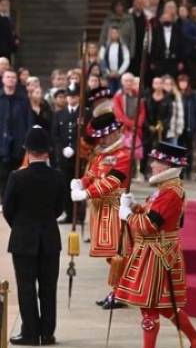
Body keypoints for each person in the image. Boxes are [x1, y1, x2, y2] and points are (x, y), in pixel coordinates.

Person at [112, 141, 196, 348]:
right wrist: (135, 207)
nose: (152, 165)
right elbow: (156, 215)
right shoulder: (166, 188)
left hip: (157, 253)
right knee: (163, 305)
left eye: (156, 162)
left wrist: (127, 215)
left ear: (168, 166)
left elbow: (150, 225)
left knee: (149, 306)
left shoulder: (170, 192)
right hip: (155, 251)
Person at [3, 126, 66, 346]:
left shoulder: (17, 177)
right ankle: (47, 333)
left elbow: (8, 209)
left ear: (27, 151)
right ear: (47, 152)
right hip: (49, 239)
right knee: (48, 288)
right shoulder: (57, 177)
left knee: (26, 288)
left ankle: (30, 332)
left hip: (23, 240)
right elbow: (59, 209)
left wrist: (21, 226)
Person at [70, 112, 131, 309]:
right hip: (100, 209)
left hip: (115, 208)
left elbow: (111, 182)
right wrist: (81, 182)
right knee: (108, 254)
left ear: (114, 133)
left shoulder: (124, 155)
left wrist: (86, 193)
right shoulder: (101, 155)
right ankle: (118, 290)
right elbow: (91, 174)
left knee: (117, 253)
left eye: (104, 136)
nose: (101, 140)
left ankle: (120, 292)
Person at [52, 85, 83, 224]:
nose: (71, 99)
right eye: (69, 96)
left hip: (79, 157)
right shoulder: (59, 114)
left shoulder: (83, 113)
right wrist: (62, 149)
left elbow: (85, 134)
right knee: (65, 185)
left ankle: (79, 215)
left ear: (78, 97)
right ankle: (68, 213)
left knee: (79, 184)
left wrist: (75, 148)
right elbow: (55, 135)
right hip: (64, 157)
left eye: (74, 96)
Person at [0, 70, 33, 197]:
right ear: (3, 79)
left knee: (17, 175)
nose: (10, 79)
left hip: (18, 144)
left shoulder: (23, 100)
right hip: (1, 144)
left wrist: (26, 142)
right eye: (8, 77)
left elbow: (29, 121)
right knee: (2, 176)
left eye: (13, 77)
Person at [150, 10, 185, 80]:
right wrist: (152, 61)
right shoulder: (156, 31)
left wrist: (181, 61)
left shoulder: (178, 30)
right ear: (161, 20)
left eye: (168, 18)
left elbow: (182, 46)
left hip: (174, 62)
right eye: (164, 18)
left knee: (172, 80)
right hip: (160, 61)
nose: (166, 20)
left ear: (172, 19)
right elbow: (153, 47)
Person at [99, 27, 132, 94]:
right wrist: (108, 72)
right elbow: (102, 60)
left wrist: (119, 72)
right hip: (108, 75)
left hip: (120, 75)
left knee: (120, 92)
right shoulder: (104, 46)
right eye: (112, 33)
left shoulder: (123, 46)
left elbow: (126, 60)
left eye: (116, 33)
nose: (114, 34)